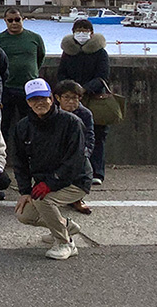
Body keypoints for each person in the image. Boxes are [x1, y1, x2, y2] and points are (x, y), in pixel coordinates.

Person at [11, 78, 92, 260]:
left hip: (75, 179)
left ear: (51, 98)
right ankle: (64, 225)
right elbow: (20, 161)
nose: (39, 103)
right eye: (34, 99)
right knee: (24, 214)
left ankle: (65, 242)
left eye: (43, 98)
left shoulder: (72, 122)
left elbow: (75, 159)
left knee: (42, 199)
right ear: (28, 102)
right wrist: (24, 191)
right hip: (45, 181)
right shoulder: (23, 127)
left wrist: (51, 183)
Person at [57, 19, 110, 186]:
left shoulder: (100, 52)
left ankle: (97, 172)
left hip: (94, 98)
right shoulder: (68, 52)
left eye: (85, 30)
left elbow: (103, 77)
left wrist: (84, 89)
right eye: (78, 30)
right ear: (73, 32)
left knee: (97, 134)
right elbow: (61, 74)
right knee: (69, 133)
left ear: (92, 33)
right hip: (70, 98)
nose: (82, 33)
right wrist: (70, 90)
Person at [0, 8, 46, 148]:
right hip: (6, 89)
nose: (14, 23)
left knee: (30, 124)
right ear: (5, 21)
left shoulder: (35, 38)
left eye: (17, 19)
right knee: (3, 125)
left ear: (23, 19)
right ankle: (1, 158)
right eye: (10, 20)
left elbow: (40, 58)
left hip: (29, 90)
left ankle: (29, 154)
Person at [54, 80, 96, 215]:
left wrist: (85, 153)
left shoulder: (85, 114)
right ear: (58, 98)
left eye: (75, 98)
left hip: (77, 151)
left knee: (82, 169)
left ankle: (77, 199)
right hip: (55, 150)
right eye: (67, 97)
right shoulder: (52, 112)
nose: (71, 101)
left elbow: (90, 136)